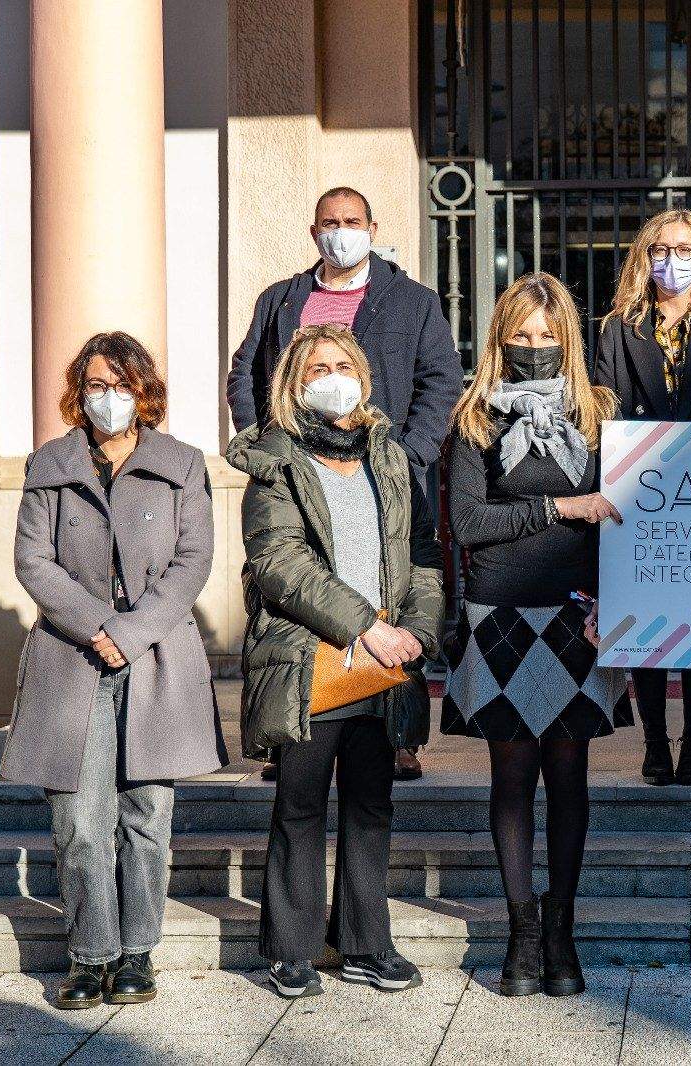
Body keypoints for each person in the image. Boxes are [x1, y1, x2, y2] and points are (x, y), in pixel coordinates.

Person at [2, 332, 227, 1010]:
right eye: (96, 385)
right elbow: (32, 560)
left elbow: (193, 561)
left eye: (121, 385)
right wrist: (96, 628)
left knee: (147, 811)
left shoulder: (182, 464)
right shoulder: (50, 464)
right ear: (79, 391)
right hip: (71, 658)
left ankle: (137, 954)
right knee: (77, 817)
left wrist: (128, 632)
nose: (109, 398)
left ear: (144, 390)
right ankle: (89, 955)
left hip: (155, 656)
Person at [226, 323, 444, 999]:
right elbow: (277, 560)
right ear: (293, 382)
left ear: (364, 375)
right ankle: (291, 948)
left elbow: (425, 557)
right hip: (307, 657)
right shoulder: (277, 461)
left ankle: (365, 944)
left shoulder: (391, 458)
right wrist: (363, 627)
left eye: (342, 363)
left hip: (384, 663)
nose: (331, 375)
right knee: (299, 805)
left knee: (371, 805)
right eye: (316, 366)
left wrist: (417, 635)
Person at [226, 186, 462, 782]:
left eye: (351, 221)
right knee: (297, 593)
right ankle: (290, 737)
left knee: (391, 587)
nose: (340, 231)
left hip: (383, 474)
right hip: (301, 475)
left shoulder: (412, 302)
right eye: (329, 222)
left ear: (372, 226)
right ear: (314, 232)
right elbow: (246, 373)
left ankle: (398, 737)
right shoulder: (282, 299)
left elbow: (442, 381)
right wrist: (265, 446)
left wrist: (407, 455)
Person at [442, 273, 632, 998]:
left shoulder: (599, 415)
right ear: (500, 338)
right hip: (500, 617)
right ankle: (521, 935)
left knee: (571, 778)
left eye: (547, 336)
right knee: (513, 780)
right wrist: (560, 507)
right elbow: (468, 523)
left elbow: (623, 519)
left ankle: (563, 932)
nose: (534, 347)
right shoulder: (474, 419)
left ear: (568, 340)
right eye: (520, 335)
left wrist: (616, 598)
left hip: (578, 616)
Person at [593, 208, 691, 787]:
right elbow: (604, 408)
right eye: (662, 249)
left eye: (685, 249)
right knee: (649, 628)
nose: (673, 260)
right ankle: (655, 745)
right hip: (639, 491)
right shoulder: (618, 327)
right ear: (645, 257)